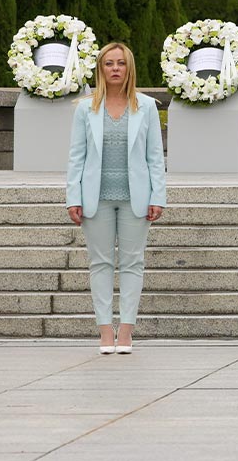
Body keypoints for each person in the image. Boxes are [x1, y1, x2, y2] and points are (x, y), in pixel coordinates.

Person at [66, 42, 166, 354]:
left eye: (120, 63)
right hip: (96, 198)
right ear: (100, 69)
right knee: (101, 263)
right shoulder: (86, 108)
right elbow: (76, 157)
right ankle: (105, 331)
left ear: (129, 68)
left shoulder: (146, 106)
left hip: (136, 197)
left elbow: (155, 157)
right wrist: (73, 196)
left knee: (133, 262)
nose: (115, 69)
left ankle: (126, 331)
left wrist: (158, 195)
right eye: (108, 63)